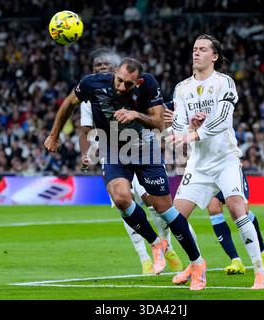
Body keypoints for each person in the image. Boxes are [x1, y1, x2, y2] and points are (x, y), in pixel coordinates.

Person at [44, 57, 206, 290]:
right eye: (119, 81)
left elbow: (159, 123)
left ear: (137, 82)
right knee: (121, 198)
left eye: (128, 84)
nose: (121, 87)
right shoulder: (92, 84)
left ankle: (197, 263)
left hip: (144, 148)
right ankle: (155, 243)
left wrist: (136, 115)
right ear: (114, 74)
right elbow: (69, 103)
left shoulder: (148, 83)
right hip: (113, 150)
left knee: (164, 209)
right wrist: (54, 134)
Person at [169, 34, 264, 289]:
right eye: (194, 49)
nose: (196, 53)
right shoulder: (182, 88)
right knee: (175, 216)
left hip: (225, 159)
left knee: (238, 209)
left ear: (214, 56)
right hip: (199, 163)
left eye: (203, 49)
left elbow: (224, 119)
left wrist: (196, 133)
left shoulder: (224, 82)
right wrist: (188, 127)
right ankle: (195, 264)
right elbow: (177, 122)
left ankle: (261, 273)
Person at [79, 49, 183, 275]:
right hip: (114, 155)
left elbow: (154, 114)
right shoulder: (90, 95)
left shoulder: (133, 87)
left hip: (142, 153)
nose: (102, 67)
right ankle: (145, 257)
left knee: (156, 204)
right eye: (98, 65)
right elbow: (85, 128)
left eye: (106, 63)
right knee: (123, 202)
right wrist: (85, 152)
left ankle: (168, 247)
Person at [166, 106, 264, 275]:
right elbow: (176, 135)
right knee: (212, 208)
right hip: (203, 169)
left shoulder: (215, 100)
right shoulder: (183, 102)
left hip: (224, 163)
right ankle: (234, 260)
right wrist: (178, 124)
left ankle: (262, 252)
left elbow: (220, 122)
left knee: (241, 211)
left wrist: (194, 126)